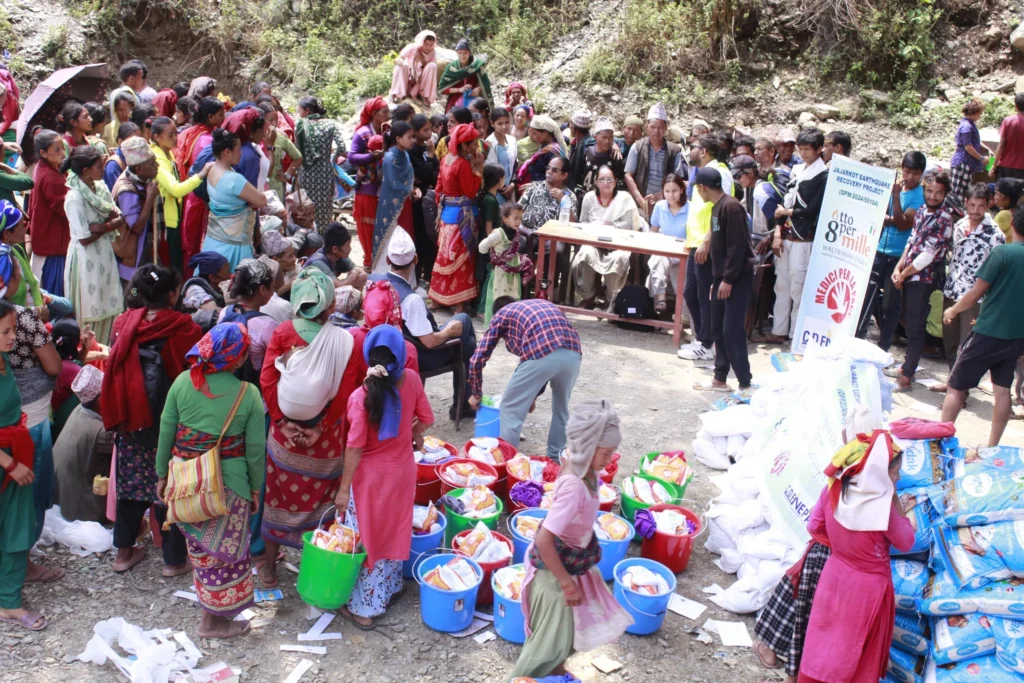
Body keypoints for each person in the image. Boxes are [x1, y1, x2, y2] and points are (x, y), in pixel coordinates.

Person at [507, 399, 633, 678]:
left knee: (561, 640)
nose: (611, 459)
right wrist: (566, 583)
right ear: (588, 447)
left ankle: (558, 671)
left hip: (570, 567)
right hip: (554, 578)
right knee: (543, 651)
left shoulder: (586, 471)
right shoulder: (574, 486)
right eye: (607, 452)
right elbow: (544, 540)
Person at [156, 322, 265, 638]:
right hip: (230, 486)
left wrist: (162, 475)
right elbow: (255, 451)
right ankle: (212, 622)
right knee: (225, 556)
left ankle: (211, 614)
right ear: (235, 358)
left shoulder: (181, 383)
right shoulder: (248, 394)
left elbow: (167, 432)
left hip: (186, 481)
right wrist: (256, 488)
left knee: (202, 553)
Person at [259, 268, 359, 588]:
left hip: (284, 436)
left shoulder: (283, 333)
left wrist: (280, 422)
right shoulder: (346, 341)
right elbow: (345, 393)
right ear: (330, 307)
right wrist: (321, 429)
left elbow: (267, 380)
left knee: (277, 498)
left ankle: (270, 571)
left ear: (298, 304)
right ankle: (320, 566)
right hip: (324, 438)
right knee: (324, 502)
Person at [101, 264, 202, 574]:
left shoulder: (123, 324)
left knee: (131, 488)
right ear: (173, 295)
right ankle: (173, 561)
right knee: (170, 490)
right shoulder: (186, 328)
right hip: (170, 425)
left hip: (131, 421)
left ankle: (124, 554)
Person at [335, 324, 433, 629]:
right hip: (402, 472)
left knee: (366, 539)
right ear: (401, 354)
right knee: (394, 530)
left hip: (369, 480)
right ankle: (389, 590)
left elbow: (354, 447)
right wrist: (411, 435)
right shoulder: (413, 380)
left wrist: (342, 490)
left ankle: (365, 609)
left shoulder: (360, 396)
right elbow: (427, 419)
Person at [798, 431, 913, 683]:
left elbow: (815, 527)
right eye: (894, 472)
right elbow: (906, 542)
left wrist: (843, 549)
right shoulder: (882, 507)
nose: (898, 477)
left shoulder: (833, 489)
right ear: (880, 472)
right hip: (867, 590)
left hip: (834, 576)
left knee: (822, 645)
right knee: (855, 653)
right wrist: (894, 498)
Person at [940, 207, 1024, 446]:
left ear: (1013, 227)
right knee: (1002, 391)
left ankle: (940, 439)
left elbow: (976, 292)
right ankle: (992, 447)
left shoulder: (1002, 253)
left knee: (955, 387)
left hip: (987, 332)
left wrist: (953, 310)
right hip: (1015, 338)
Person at [374, 230, 476, 420]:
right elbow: (429, 342)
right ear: (415, 259)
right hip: (420, 355)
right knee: (466, 331)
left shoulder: (375, 283)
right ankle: (463, 403)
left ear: (388, 260)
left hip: (388, 349)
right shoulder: (412, 300)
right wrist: (447, 332)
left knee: (467, 342)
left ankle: (463, 403)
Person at [468, 297, 581, 457]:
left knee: (509, 408)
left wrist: (476, 393)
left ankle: (509, 462)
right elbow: (540, 361)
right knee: (561, 408)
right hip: (573, 354)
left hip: (542, 355)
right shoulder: (538, 306)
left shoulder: (502, 314)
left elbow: (477, 359)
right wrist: (531, 396)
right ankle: (556, 457)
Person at [0, 297, 49, 631]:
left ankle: (9, 600)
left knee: (16, 526)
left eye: (13, 329)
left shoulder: (4, 359)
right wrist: (9, 464)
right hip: (6, 460)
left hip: (15, 451)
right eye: (5, 331)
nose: (13, 337)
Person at [687, 167, 755, 392]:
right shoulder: (716, 208)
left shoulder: (731, 207)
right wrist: (716, 281)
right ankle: (720, 378)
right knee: (717, 327)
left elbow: (737, 248)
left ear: (702, 188)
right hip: (720, 278)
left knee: (732, 329)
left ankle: (745, 382)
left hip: (735, 278)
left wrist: (727, 279)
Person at [760, 128, 828, 346]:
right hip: (788, 235)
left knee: (798, 288)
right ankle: (779, 331)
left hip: (803, 239)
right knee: (782, 284)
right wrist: (778, 229)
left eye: (808, 149)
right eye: (802, 149)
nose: (804, 153)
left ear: (819, 150)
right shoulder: (797, 170)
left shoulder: (823, 176)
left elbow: (812, 210)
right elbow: (785, 201)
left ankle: (796, 335)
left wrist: (785, 214)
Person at [889, 171, 954, 392]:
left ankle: (906, 377)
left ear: (945, 194)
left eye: (938, 193)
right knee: (906, 322)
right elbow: (911, 241)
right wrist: (898, 268)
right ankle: (908, 364)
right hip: (908, 274)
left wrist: (904, 273)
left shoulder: (945, 219)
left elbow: (927, 255)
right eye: (929, 191)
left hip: (922, 279)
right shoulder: (921, 212)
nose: (933, 196)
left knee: (916, 328)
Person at [855, 151, 926, 348]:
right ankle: (858, 339)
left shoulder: (919, 196)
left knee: (891, 304)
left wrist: (894, 198)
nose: (909, 177)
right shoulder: (896, 187)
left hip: (899, 257)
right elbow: (878, 213)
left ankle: (884, 345)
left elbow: (904, 223)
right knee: (867, 297)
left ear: (921, 174)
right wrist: (889, 217)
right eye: (906, 172)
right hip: (879, 251)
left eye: (915, 173)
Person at [936, 183, 1004, 390]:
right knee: (949, 341)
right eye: (972, 205)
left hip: (975, 298)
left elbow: (997, 271)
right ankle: (951, 382)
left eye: (980, 206)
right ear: (965, 203)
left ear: (988, 205)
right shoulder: (959, 226)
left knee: (965, 346)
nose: (975, 211)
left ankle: (959, 391)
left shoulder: (994, 234)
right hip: (952, 290)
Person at [678, 134, 733, 361]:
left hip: (708, 246)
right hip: (695, 244)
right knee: (691, 293)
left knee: (704, 296)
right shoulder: (700, 174)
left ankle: (708, 344)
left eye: (692, 147)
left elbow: (722, 210)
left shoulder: (721, 173)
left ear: (703, 151)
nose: (689, 151)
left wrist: (707, 241)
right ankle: (702, 339)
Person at [63, 146, 126, 345]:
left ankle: (107, 352)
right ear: (86, 171)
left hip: (105, 256)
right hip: (85, 259)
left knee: (109, 301)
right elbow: (84, 238)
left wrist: (99, 227)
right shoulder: (74, 198)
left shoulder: (100, 188)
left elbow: (118, 216)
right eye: (99, 166)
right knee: (89, 309)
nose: (103, 169)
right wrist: (105, 226)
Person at [571, 165, 643, 311]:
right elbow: (583, 222)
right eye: (602, 179)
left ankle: (611, 300)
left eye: (609, 179)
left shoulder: (625, 198)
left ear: (616, 182)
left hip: (618, 244)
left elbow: (630, 225)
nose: (606, 183)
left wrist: (611, 225)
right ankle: (588, 297)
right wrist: (596, 227)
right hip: (594, 243)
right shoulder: (589, 197)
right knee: (585, 253)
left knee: (619, 259)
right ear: (596, 182)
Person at [429, 123, 484, 312]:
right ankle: (459, 303)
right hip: (463, 217)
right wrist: (478, 170)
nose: (476, 147)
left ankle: (437, 298)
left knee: (444, 256)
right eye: (473, 143)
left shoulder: (445, 160)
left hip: (447, 216)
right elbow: (470, 191)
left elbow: (439, 188)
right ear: (464, 146)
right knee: (462, 259)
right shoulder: (463, 164)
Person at [52, 364, 112, 524]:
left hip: (61, 495)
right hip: (79, 508)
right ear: (100, 400)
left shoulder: (80, 409)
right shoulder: (99, 431)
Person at [150, 117, 211, 273]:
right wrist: (201, 175)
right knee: (170, 268)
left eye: (175, 133)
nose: (175, 138)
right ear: (157, 137)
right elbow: (175, 189)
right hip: (165, 222)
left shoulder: (166, 153)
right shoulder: (157, 159)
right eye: (170, 135)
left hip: (173, 217)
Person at [202, 128, 268, 269]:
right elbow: (262, 200)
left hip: (214, 241)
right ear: (227, 152)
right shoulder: (233, 179)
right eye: (238, 149)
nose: (241, 153)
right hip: (234, 246)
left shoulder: (211, 169)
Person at [518, 155, 577, 302]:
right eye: (548, 168)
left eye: (555, 170)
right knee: (515, 245)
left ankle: (545, 291)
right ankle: (519, 288)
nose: (549, 172)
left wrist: (562, 200)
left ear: (564, 175)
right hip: (527, 233)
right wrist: (524, 229)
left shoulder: (569, 196)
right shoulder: (533, 187)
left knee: (555, 251)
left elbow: (573, 222)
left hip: (552, 237)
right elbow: (517, 211)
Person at [178, 97, 227, 269]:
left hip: (185, 190)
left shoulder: (187, 132)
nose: (224, 117)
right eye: (221, 114)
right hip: (200, 194)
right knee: (196, 241)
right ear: (211, 117)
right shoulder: (208, 140)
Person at [218, 257, 279, 383]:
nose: (273, 293)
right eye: (272, 288)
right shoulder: (268, 325)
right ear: (262, 290)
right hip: (252, 387)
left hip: (225, 380)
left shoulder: (226, 312)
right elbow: (276, 363)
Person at [28, 130, 70, 297]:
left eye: (62, 148)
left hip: (47, 238)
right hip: (52, 243)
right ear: (43, 153)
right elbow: (64, 208)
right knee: (54, 294)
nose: (63, 153)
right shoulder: (51, 177)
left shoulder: (44, 168)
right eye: (57, 150)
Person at [624, 103, 685, 218]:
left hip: (665, 202)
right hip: (640, 202)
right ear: (647, 126)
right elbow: (628, 175)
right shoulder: (638, 147)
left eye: (660, 127)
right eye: (653, 127)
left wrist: (660, 196)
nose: (656, 131)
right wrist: (641, 201)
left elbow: (677, 179)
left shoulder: (674, 150)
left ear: (666, 128)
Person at [372, 121, 418, 274]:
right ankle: (386, 275)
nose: (413, 140)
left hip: (405, 204)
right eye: (410, 137)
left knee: (405, 238)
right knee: (391, 239)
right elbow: (393, 183)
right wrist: (410, 190)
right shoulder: (389, 158)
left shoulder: (405, 155)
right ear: (398, 139)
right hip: (393, 206)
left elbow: (409, 179)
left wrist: (413, 189)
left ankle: (407, 278)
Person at [350, 97, 390, 267]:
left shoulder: (386, 131)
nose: (388, 115)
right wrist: (371, 156)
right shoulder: (362, 133)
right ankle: (369, 261)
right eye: (384, 112)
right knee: (368, 228)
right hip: (367, 188)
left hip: (385, 187)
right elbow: (351, 157)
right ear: (374, 114)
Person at [479, 200, 532, 325]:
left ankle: (510, 327)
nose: (518, 222)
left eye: (520, 218)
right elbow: (482, 246)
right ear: (505, 219)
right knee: (498, 301)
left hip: (513, 275)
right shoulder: (498, 234)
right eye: (515, 218)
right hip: (500, 275)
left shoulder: (516, 234)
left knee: (513, 300)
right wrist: (491, 260)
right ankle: (495, 326)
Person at [294, 96, 342, 232]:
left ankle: (309, 241)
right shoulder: (331, 124)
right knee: (324, 208)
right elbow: (342, 147)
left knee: (307, 208)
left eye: (300, 111)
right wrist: (333, 160)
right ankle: (324, 240)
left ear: (307, 111)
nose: (300, 114)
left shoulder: (300, 125)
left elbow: (297, 151)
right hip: (325, 174)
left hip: (306, 173)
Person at [646, 173, 689, 314]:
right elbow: (653, 232)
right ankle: (660, 299)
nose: (671, 195)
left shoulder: (691, 209)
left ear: (681, 190)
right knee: (658, 259)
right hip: (664, 251)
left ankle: (684, 317)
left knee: (671, 270)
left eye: (674, 191)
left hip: (683, 253)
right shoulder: (659, 206)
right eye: (667, 191)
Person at [410, 114, 440, 282]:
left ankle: (429, 273)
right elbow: (422, 173)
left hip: (428, 196)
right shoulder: (413, 150)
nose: (429, 133)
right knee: (420, 236)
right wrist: (429, 156)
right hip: (417, 199)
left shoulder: (427, 148)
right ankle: (417, 272)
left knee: (430, 237)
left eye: (430, 129)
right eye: (425, 130)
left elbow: (434, 174)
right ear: (415, 132)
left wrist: (430, 159)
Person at [49, 318, 87, 442]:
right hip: (57, 425)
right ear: (76, 341)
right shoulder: (71, 369)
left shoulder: (50, 358)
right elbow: (93, 389)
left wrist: (85, 348)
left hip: (47, 419)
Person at [573, 117, 626, 202]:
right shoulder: (587, 152)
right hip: (586, 198)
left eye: (610, 138)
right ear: (595, 137)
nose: (607, 141)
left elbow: (619, 182)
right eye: (604, 137)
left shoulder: (615, 157)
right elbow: (578, 174)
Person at [258, 103, 302, 204]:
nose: (275, 123)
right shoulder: (255, 138)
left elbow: (298, 157)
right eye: (271, 120)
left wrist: (288, 175)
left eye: (276, 119)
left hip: (277, 188)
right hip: (259, 188)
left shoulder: (280, 137)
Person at [304, 221, 365, 289]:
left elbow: (363, 276)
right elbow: (339, 287)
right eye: (347, 245)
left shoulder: (339, 255)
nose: (350, 249)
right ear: (335, 249)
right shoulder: (318, 263)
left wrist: (349, 280)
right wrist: (354, 273)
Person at [438, 38, 492, 113]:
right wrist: (459, 89)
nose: (462, 56)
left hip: (474, 97)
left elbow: (485, 83)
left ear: (469, 52)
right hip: (456, 99)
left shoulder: (477, 65)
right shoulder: (451, 68)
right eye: (459, 53)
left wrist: (478, 89)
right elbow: (442, 89)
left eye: (465, 53)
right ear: (456, 53)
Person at [950, 99, 988, 201]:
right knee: (958, 192)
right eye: (979, 114)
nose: (979, 116)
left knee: (963, 191)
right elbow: (968, 147)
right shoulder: (966, 127)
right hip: (963, 163)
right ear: (974, 113)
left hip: (967, 164)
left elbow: (974, 142)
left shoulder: (969, 124)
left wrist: (987, 149)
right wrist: (981, 158)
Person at [516, 115, 567, 187]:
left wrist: (534, 186)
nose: (533, 137)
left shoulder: (553, 153)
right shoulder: (544, 146)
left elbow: (554, 178)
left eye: (535, 133)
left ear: (545, 133)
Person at [390, 30, 438, 106]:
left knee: (432, 66)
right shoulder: (412, 47)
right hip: (407, 80)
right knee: (401, 66)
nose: (428, 47)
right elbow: (398, 59)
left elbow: (429, 71)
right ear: (421, 42)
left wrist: (422, 60)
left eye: (431, 45)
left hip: (419, 83)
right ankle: (397, 94)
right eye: (426, 44)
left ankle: (425, 96)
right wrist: (399, 61)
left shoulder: (433, 52)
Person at [485, 107, 516, 204]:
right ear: (492, 124)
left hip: (510, 188)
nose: (504, 126)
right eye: (500, 123)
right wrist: (502, 190)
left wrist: (512, 184)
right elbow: (491, 170)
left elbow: (515, 164)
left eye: (507, 122)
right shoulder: (489, 143)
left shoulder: (512, 140)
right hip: (496, 190)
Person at [993, 93, 1024, 181]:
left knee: (1002, 193)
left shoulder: (1008, 121)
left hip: (1006, 166)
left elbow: (1001, 145)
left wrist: (994, 164)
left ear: (1016, 106)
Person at [104, 122, 140, 191]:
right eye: (132, 141)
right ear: (120, 142)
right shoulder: (113, 165)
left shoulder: (136, 159)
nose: (136, 145)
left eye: (138, 141)